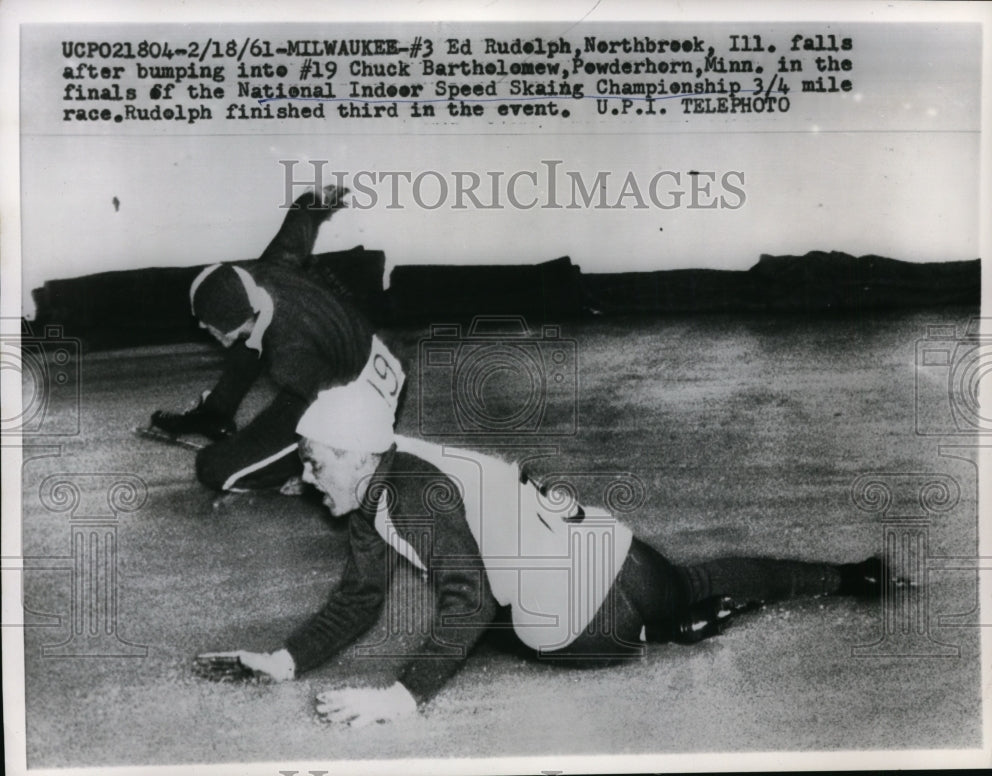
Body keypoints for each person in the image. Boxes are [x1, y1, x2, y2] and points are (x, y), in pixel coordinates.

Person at [194, 377, 899, 727]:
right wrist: (283, 660)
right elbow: (358, 595)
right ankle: (850, 577)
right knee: (695, 577)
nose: (306, 478)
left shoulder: (407, 497)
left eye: (315, 463)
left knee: (485, 626)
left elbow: (466, 600)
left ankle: (665, 631)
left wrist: (403, 699)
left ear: (352, 455)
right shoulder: (388, 463)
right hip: (623, 555)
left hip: (584, 625)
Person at [150, 184, 404, 492]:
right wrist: (317, 199)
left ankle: (296, 468)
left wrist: (313, 468)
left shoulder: (289, 353)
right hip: (366, 350)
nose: (206, 331)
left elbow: (329, 409)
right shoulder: (269, 268)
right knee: (251, 343)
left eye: (211, 326)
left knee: (213, 468)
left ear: (231, 318)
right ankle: (215, 414)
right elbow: (300, 220)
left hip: (356, 395)